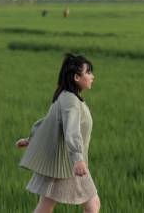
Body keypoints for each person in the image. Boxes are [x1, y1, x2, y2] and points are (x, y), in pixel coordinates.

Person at [16, 54, 100, 213]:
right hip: (69, 164)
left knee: (47, 206)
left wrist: (31, 140)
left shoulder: (67, 97)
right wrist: (77, 158)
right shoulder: (71, 101)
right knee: (92, 205)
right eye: (88, 72)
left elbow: (49, 122)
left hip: (65, 162)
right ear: (76, 77)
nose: (92, 76)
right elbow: (71, 130)